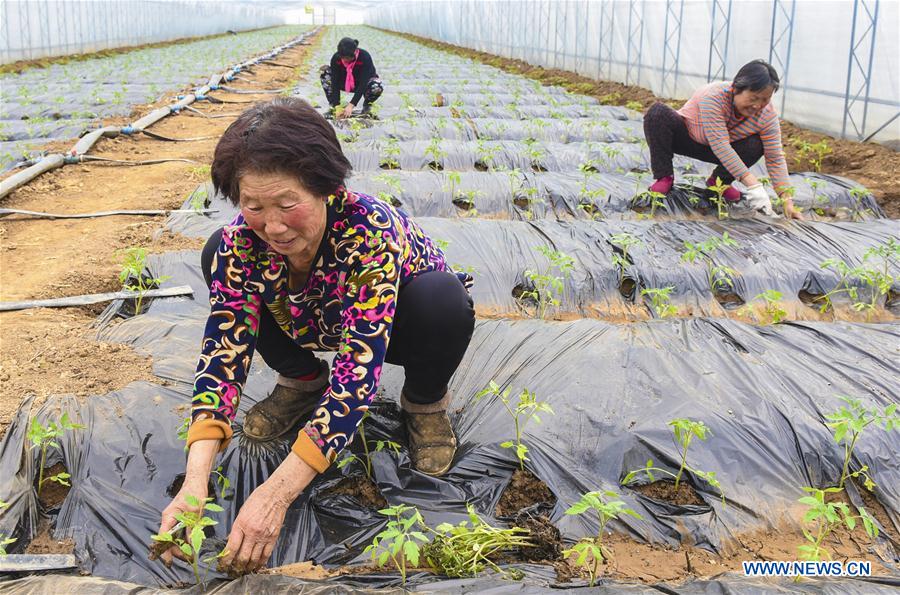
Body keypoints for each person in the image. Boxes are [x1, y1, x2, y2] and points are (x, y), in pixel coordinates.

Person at [155, 97, 474, 574]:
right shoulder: (243, 242)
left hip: (396, 325)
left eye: (288, 205)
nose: (274, 226)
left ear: (326, 188)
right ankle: (302, 380)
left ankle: (424, 402)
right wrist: (195, 481)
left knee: (443, 300)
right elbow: (224, 352)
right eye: (253, 206)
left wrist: (275, 494)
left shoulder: (369, 231)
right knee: (216, 253)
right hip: (308, 318)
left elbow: (357, 374)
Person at [643, 59, 803, 220]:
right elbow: (720, 145)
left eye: (765, 100)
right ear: (736, 89)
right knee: (657, 113)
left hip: (722, 149)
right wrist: (753, 185)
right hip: (688, 138)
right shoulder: (714, 97)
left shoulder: (767, 115)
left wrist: (787, 201)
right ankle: (664, 177)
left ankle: (719, 183)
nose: (757, 106)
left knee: (756, 144)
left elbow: (775, 157)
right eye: (754, 98)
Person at [321, 37, 383, 119]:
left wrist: (351, 104)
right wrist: (337, 105)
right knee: (325, 74)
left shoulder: (364, 57)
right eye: (343, 57)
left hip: (361, 84)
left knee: (377, 86)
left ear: (354, 52)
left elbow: (363, 83)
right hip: (344, 83)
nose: (345, 60)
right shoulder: (336, 58)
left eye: (347, 58)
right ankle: (333, 106)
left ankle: (367, 106)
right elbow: (335, 82)